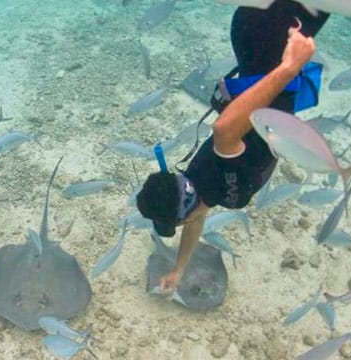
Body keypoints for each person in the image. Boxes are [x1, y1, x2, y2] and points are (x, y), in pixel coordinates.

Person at [136, 0, 329, 294]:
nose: (185, 223)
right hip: (249, 36)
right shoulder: (197, 184)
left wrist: (290, 67)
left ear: (187, 210)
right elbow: (194, 219)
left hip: (273, 42)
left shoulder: (224, 190)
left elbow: (224, 129)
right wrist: (179, 269)